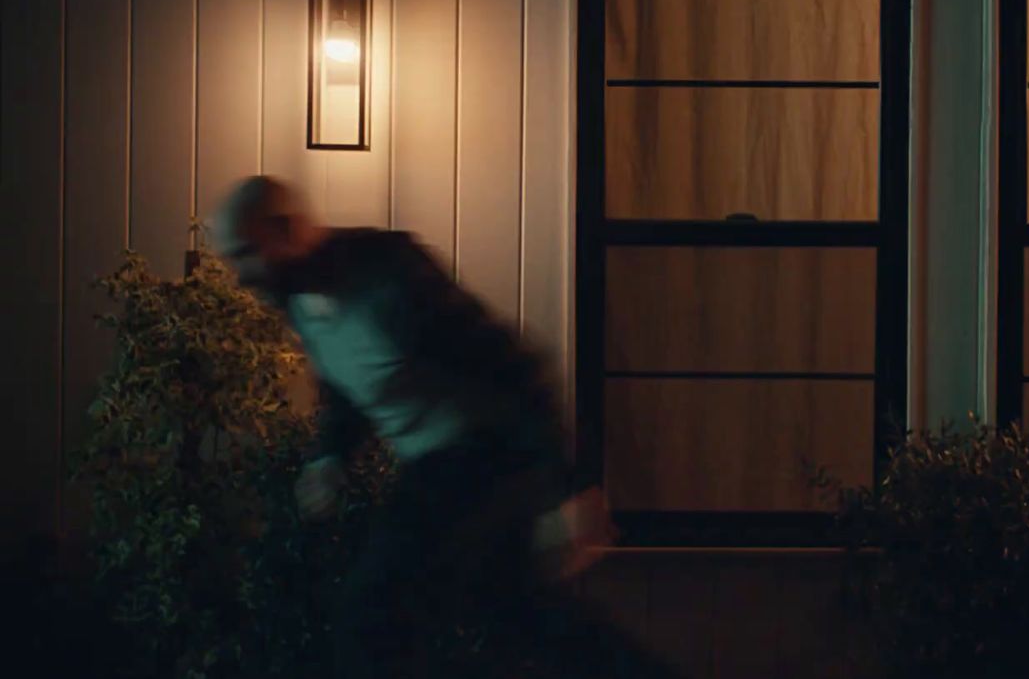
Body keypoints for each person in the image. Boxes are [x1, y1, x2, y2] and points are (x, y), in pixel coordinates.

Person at [212, 175, 679, 679]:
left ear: (285, 231)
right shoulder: (299, 299)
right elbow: (348, 389)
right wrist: (330, 457)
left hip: (486, 454)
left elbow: (512, 366)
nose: (241, 275)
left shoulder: (387, 274)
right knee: (520, 614)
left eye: (246, 253)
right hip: (442, 463)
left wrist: (575, 486)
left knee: (372, 612)